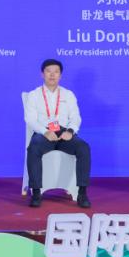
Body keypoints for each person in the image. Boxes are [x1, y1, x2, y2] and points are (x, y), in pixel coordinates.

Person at [24, 59, 91, 208]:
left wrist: (70, 131)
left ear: (60, 75)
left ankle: (82, 193)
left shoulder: (68, 94)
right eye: (48, 71)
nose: (52, 75)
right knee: (33, 148)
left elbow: (76, 117)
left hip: (64, 133)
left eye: (56, 72)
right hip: (43, 133)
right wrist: (45, 131)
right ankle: (36, 192)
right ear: (42, 74)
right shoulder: (34, 95)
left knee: (83, 147)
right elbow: (30, 119)